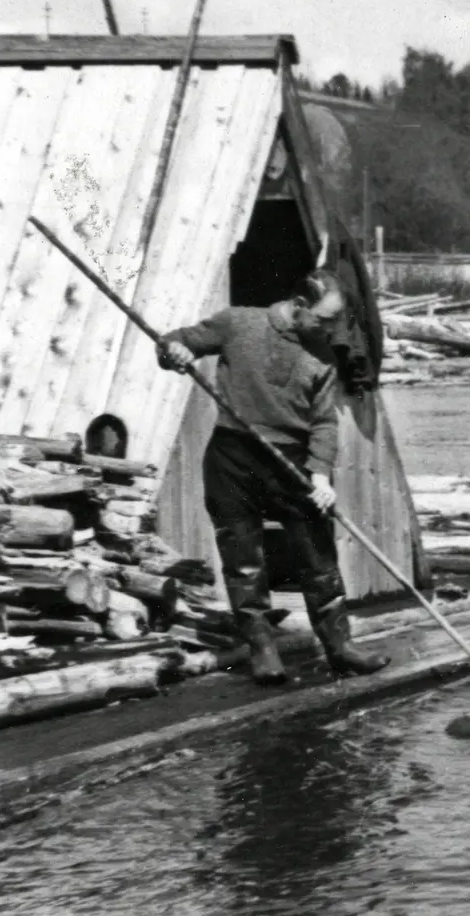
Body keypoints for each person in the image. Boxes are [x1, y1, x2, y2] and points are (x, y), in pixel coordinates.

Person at [158, 272, 390, 684]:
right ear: (300, 303)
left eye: (333, 326)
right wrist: (173, 352)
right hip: (233, 454)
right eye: (322, 321)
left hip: (292, 462)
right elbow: (175, 342)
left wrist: (320, 476)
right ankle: (262, 648)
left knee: (318, 558)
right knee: (243, 559)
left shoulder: (323, 357)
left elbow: (324, 424)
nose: (327, 332)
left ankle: (339, 647)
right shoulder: (237, 323)